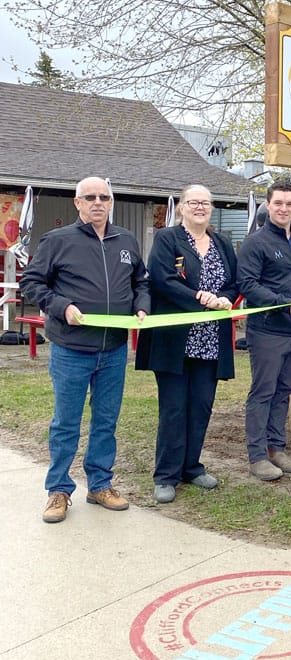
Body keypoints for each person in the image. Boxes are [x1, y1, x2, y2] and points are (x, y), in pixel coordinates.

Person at [21, 176, 150, 523]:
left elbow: (141, 282)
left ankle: (100, 485)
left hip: (113, 348)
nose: (97, 202)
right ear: (77, 203)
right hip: (71, 349)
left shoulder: (126, 240)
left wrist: (141, 306)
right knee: (66, 423)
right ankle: (59, 490)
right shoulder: (58, 240)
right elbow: (31, 281)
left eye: (104, 197)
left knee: (106, 421)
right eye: (90, 197)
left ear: (111, 202)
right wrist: (61, 306)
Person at [135, 185, 239, 503]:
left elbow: (234, 283)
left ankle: (191, 468)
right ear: (181, 207)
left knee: (201, 406)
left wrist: (225, 298)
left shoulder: (222, 243)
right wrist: (199, 297)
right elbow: (162, 279)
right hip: (174, 341)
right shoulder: (168, 239)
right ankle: (166, 475)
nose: (200, 207)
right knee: (174, 408)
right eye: (193, 202)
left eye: (206, 203)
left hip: (210, 341)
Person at [237, 179, 291, 481]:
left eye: (289, 204)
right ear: (268, 205)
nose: (283, 208)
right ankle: (257, 456)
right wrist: (283, 304)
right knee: (263, 392)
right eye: (278, 203)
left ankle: (275, 448)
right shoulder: (256, 242)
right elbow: (247, 284)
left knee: (284, 392)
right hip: (267, 331)